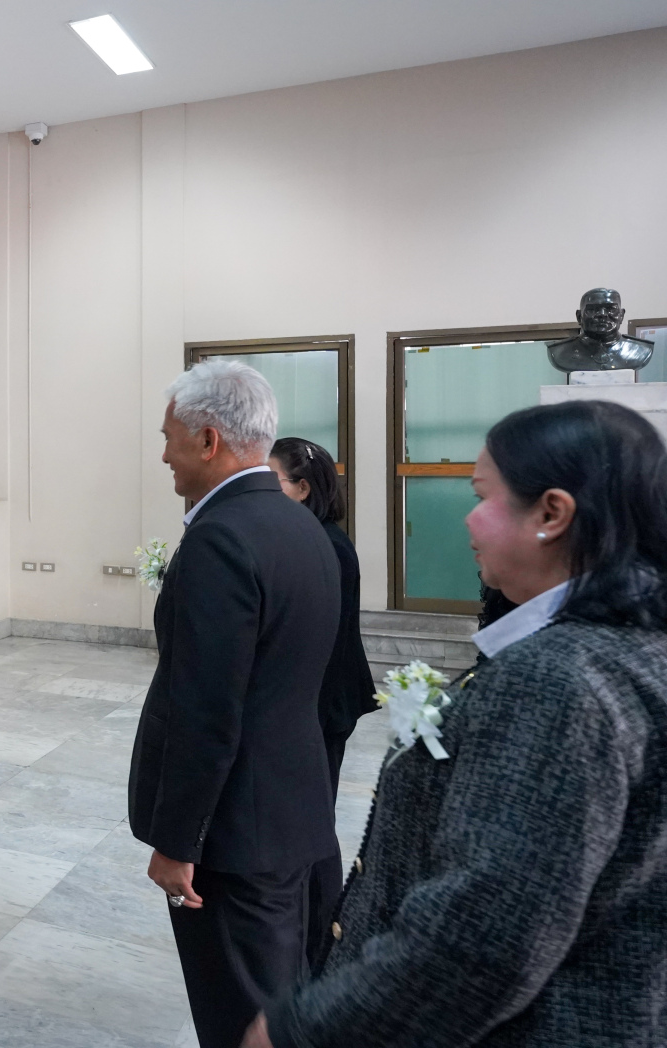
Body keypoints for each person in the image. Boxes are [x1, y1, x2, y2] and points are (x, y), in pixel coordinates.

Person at [247, 400, 667, 1048]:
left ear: (552, 513)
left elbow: (485, 934)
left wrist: (302, 1027)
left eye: (482, 496)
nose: (468, 518)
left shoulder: (558, 680)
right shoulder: (625, 649)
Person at [131, 361, 341, 1048]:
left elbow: (206, 710)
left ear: (208, 439)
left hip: (232, 836)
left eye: (169, 437)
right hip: (290, 810)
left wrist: (177, 841)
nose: (164, 454)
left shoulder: (219, 539)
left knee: (241, 1021)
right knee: (279, 1008)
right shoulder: (301, 527)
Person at [268, 437, 378, 969]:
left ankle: (320, 940)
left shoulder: (326, 545)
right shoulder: (316, 538)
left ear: (303, 488)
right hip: (319, 700)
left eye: (273, 483)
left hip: (324, 702)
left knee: (313, 824)